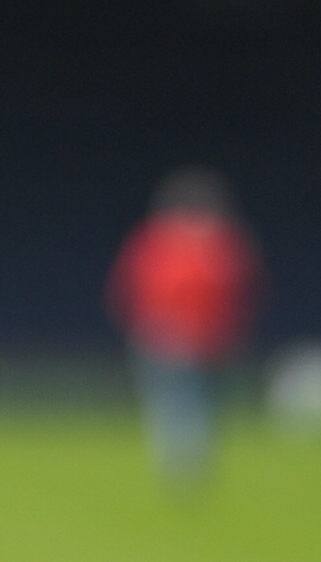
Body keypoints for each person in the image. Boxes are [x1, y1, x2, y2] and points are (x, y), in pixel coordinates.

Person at [110, 168, 258, 487]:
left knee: (197, 402)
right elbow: (133, 288)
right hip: (168, 337)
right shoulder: (162, 242)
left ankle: (187, 461)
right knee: (176, 401)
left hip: (207, 338)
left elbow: (238, 293)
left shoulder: (219, 245)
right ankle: (182, 462)